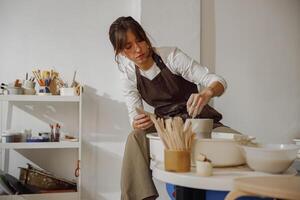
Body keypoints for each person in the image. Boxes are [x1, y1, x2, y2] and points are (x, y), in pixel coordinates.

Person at [109, 16, 238, 200]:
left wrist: (207, 92)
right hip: (168, 128)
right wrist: (137, 121)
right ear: (121, 52)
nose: (138, 49)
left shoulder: (170, 56)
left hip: (198, 121)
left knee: (240, 143)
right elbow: (133, 118)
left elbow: (218, 81)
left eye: (140, 40)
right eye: (128, 46)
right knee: (135, 137)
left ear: (145, 38)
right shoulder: (129, 76)